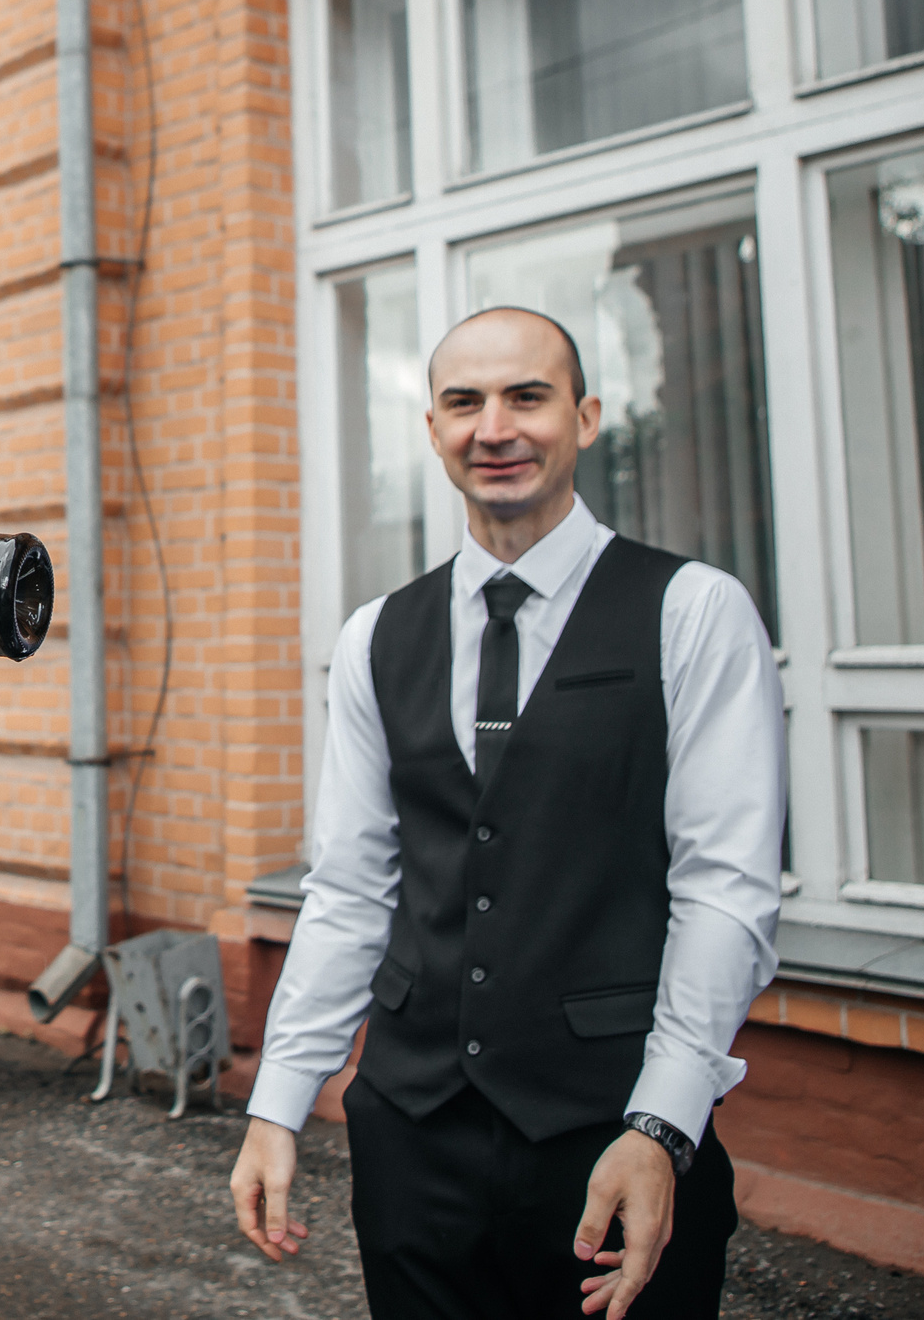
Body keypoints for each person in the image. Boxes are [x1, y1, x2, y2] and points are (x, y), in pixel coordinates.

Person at [228, 307, 786, 1319]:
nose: (495, 427)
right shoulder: (374, 638)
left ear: (584, 417)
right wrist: (278, 1102)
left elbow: (725, 892)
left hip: (607, 1127)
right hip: (412, 1136)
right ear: (432, 429)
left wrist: (664, 1123)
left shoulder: (692, 612)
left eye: (526, 396)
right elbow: (352, 889)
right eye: (463, 402)